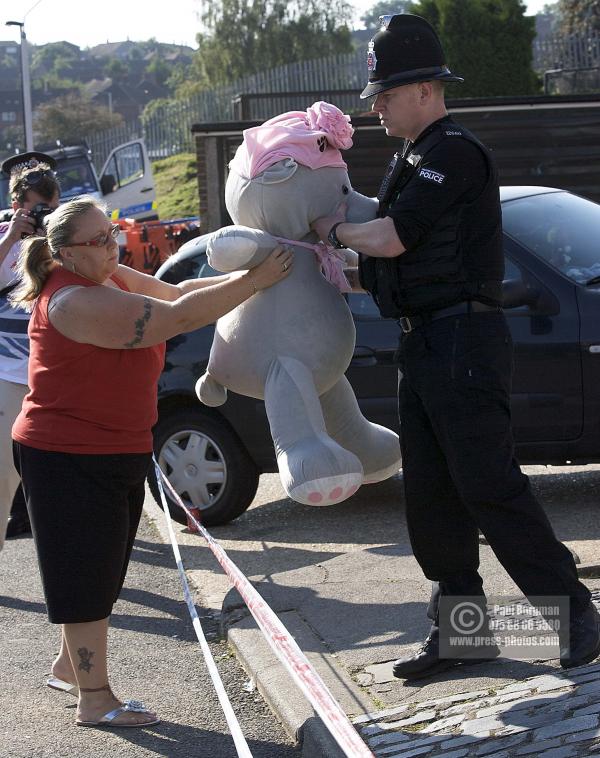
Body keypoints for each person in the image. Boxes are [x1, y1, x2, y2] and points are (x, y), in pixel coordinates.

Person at [311, 13, 599, 679]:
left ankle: (575, 613)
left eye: (384, 94)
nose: (377, 106)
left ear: (424, 91)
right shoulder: (412, 158)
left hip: (463, 340)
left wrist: (333, 230)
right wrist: (333, 276)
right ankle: (461, 634)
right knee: (433, 496)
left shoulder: (454, 153)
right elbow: (395, 263)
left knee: (486, 483)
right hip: (427, 341)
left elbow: (394, 238)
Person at [11, 195, 293, 727]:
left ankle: (71, 668)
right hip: (66, 453)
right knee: (84, 577)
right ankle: (95, 700)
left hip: (114, 446)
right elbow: (175, 318)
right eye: (97, 241)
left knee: (104, 568)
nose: (111, 245)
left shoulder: (108, 277)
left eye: (111, 232)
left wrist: (260, 275)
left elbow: (182, 291)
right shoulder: (73, 300)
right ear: (66, 254)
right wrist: (257, 280)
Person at [0, 152, 61, 547]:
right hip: (7, 371)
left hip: (53, 371)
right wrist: (11, 238)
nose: (45, 216)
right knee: (3, 477)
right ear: (18, 204)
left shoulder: (57, 238)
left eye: (52, 208)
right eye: (39, 208)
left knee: (57, 473)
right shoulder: (3, 233)